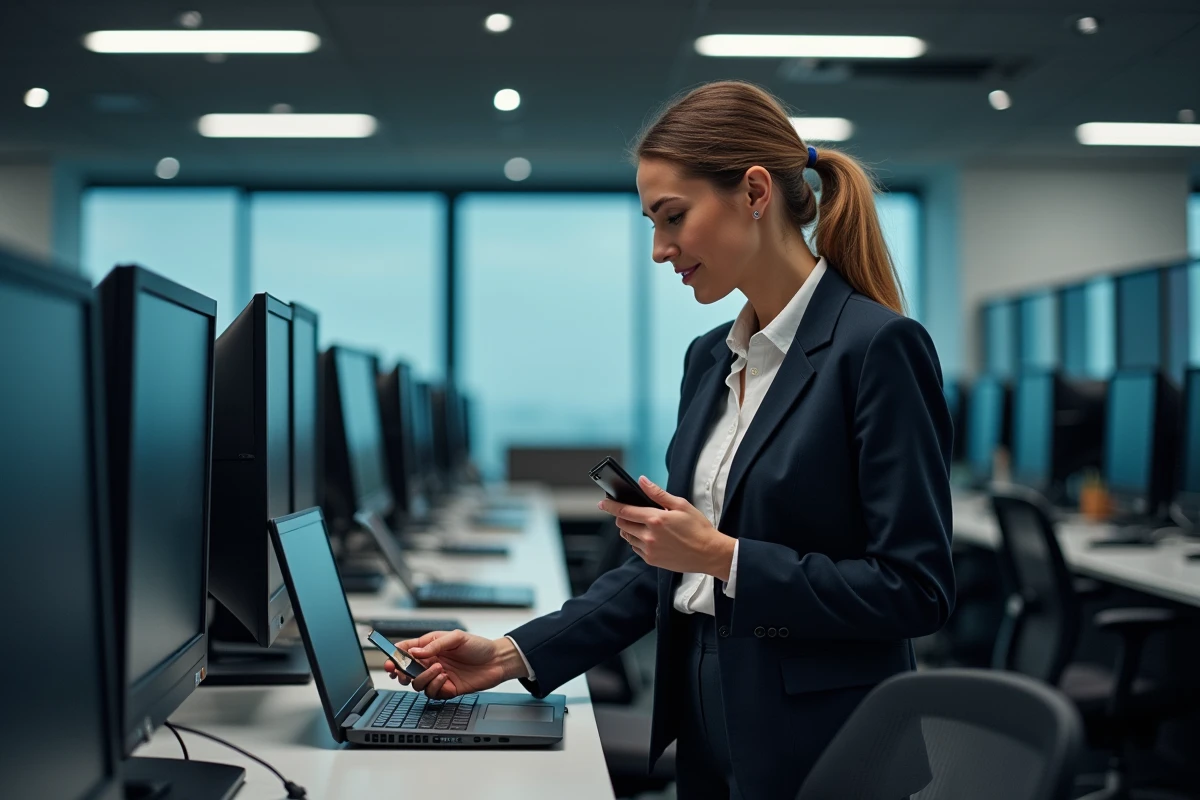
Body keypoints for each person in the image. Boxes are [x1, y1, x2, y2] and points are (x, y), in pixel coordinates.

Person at [385, 80, 955, 799]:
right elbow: (667, 568)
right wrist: (510, 653)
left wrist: (723, 556)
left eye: (672, 217)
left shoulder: (878, 348)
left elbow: (916, 591)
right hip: (708, 722)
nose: (660, 250)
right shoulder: (710, 357)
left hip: (828, 745)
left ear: (754, 192)